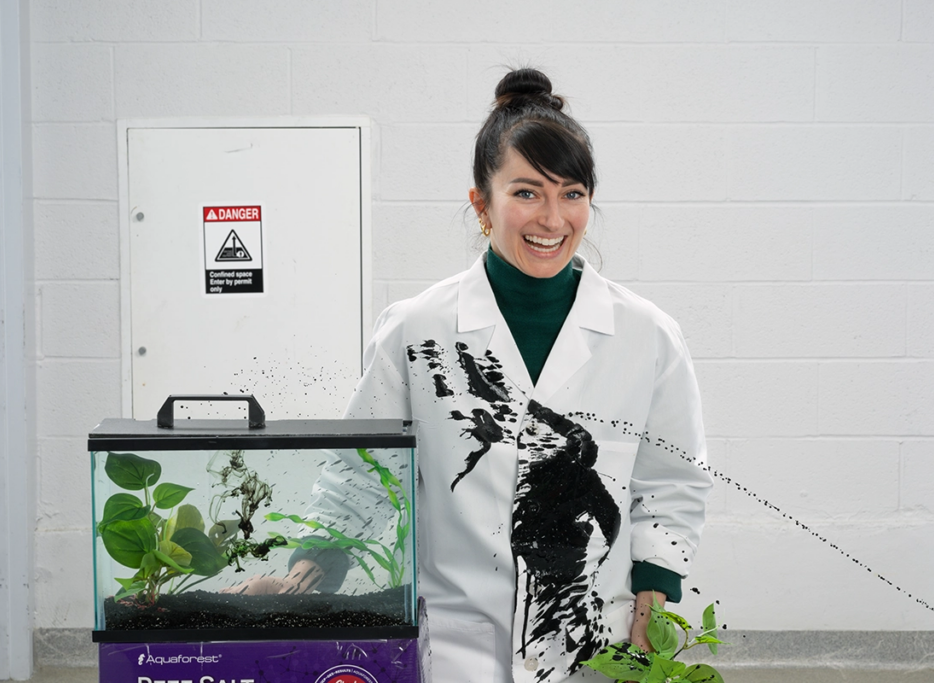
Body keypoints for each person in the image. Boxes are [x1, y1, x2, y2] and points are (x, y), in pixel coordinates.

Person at [230, 68, 713, 683]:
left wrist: (655, 594)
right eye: (527, 192)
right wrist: (306, 574)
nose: (552, 218)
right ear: (481, 204)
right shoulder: (417, 329)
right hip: (454, 647)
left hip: (596, 643)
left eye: (572, 193)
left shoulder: (647, 336)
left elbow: (672, 480)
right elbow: (362, 473)